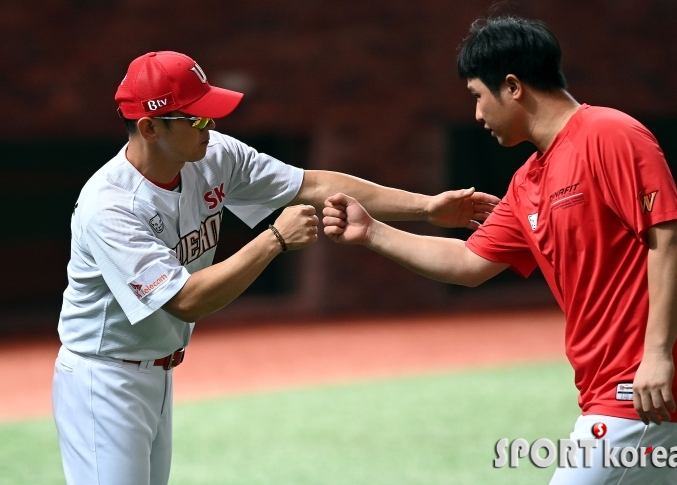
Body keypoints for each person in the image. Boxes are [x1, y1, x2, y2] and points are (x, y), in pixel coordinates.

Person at [52, 50, 499, 485]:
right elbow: (185, 301)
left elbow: (315, 184)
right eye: (197, 119)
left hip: (157, 372)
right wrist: (274, 240)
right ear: (149, 127)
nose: (211, 127)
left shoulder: (213, 156)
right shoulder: (110, 207)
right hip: (103, 379)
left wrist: (428, 208)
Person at [322, 16, 677, 484]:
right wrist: (373, 231)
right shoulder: (528, 181)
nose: (477, 115)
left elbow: (671, 241)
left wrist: (658, 354)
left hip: (638, 388)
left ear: (513, 86)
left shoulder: (609, 134)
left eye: (478, 96)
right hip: (611, 388)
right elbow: (466, 263)